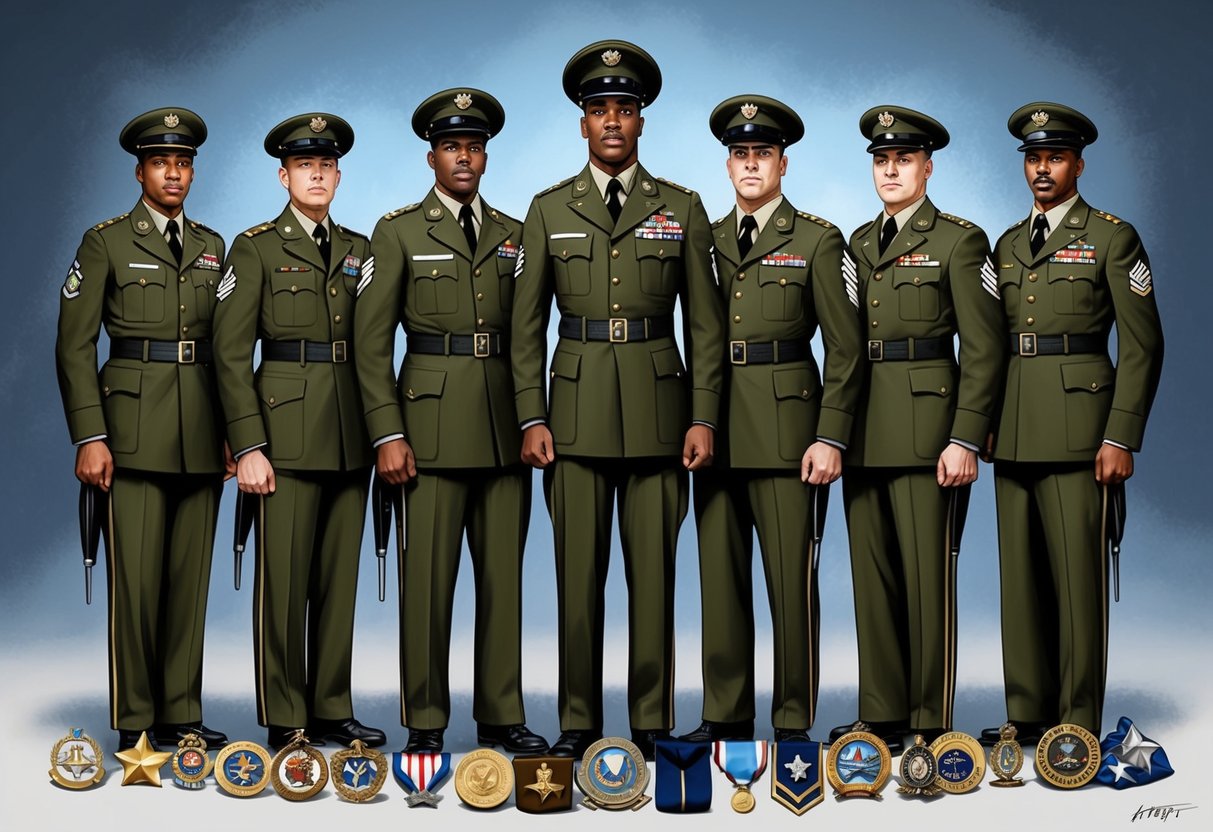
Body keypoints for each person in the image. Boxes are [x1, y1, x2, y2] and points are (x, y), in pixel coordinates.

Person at [510, 39, 725, 760]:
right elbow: (523, 330)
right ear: (582, 123)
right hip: (568, 423)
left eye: (624, 109)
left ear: (641, 123)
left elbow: (705, 327)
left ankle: (651, 723)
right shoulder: (547, 210)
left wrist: (702, 417)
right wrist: (530, 416)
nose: (610, 121)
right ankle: (576, 722)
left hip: (662, 421)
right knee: (577, 582)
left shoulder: (682, 208)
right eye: (598, 109)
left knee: (654, 583)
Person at [354, 88, 547, 755]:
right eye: (450, 147)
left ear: (485, 156)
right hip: (426, 434)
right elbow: (370, 343)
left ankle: (500, 716)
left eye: (473, 147)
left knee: (503, 586)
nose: (462, 158)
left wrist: (533, 419)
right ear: (430, 155)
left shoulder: (515, 235)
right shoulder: (398, 232)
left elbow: (528, 338)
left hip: (501, 433)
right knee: (427, 586)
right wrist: (387, 433)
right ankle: (426, 720)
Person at [979, 103, 1164, 745]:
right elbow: (991, 342)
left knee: (1077, 583)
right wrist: (985, 425)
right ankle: (1026, 712)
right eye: (1033, 157)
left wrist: (1121, 435)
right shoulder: (1004, 244)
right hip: (1013, 429)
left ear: (1078, 163)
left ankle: (1076, 723)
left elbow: (1142, 346)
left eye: (1054, 157)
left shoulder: (1112, 237)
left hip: (1084, 432)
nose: (1042, 168)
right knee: (1020, 581)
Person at [681, 95, 863, 745]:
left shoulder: (815, 239)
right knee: (720, 585)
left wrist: (829, 434)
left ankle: (791, 720)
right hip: (715, 429)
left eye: (761, 154)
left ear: (783, 164)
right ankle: (725, 713)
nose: (750, 165)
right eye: (739, 154)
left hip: (790, 433)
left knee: (791, 585)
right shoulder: (701, 240)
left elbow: (845, 348)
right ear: (727, 167)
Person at [828, 106, 1006, 753]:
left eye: (903, 159)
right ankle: (881, 714)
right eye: (881, 160)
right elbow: (844, 346)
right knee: (871, 580)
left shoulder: (959, 241)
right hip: (864, 430)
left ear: (927, 167)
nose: (890, 170)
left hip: (930, 433)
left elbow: (984, 349)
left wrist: (964, 437)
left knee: (927, 581)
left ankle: (928, 721)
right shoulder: (853, 243)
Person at [55, 107, 230, 751]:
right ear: (139, 171)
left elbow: (229, 348)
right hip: (129, 432)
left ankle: (181, 714)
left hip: (202, 431)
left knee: (189, 583)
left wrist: (235, 433)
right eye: (162, 162)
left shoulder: (214, 246)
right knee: (135, 585)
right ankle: (135, 723)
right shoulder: (106, 242)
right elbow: (75, 346)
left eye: (183, 162)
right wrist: (89, 435)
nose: (174, 173)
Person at [212, 113, 384, 750]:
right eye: (304, 165)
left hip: (349, 432)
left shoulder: (361, 250)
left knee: (338, 584)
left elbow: (371, 348)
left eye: (326, 165)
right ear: (283, 175)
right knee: (283, 584)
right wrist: (249, 444)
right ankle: (286, 717)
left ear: (338, 175)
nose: (317, 174)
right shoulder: (255, 248)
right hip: (281, 437)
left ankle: (331, 707)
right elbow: (231, 355)